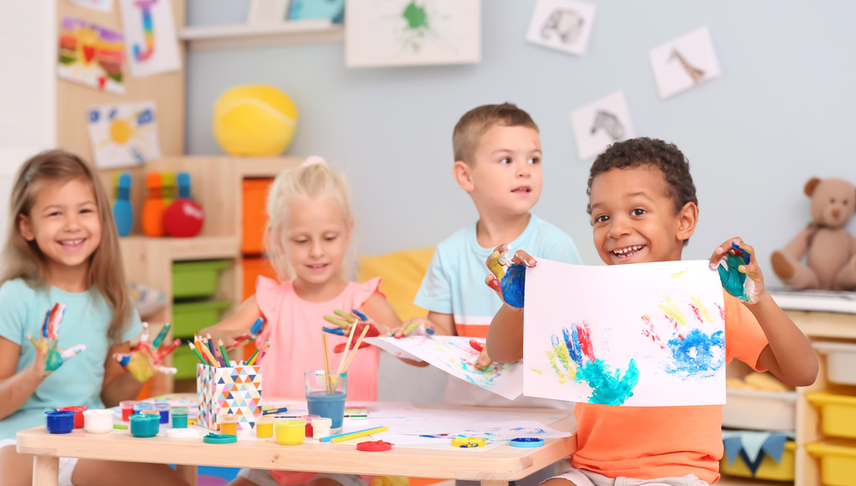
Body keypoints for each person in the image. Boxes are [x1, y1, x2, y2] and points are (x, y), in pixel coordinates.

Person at [485, 137, 818, 486]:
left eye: (638, 211)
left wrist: (759, 301)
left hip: (677, 476)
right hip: (589, 472)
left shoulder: (709, 300)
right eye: (602, 217)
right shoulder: (581, 296)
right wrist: (516, 304)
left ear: (684, 221)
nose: (616, 229)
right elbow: (501, 353)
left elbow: (803, 372)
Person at [404, 103, 583, 486]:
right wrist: (418, 334)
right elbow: (438, 334)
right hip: (468, 417)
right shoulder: (449, 253)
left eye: (534, 158)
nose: (525, 169)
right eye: (506, 159)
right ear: (465, 175)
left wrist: (509, 345)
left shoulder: (555, 245)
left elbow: (574, 333)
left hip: (543, 416)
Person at [202, 156, 401, 486]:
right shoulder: (269, 300)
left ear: (348, 232)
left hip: (341, 455)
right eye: (302, 240)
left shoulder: (364, 301)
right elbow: (212, 335)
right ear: (278, 238)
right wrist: (223, 336)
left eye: (329, 237)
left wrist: (381, 333)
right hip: (272, 452)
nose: (317, 252)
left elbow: (411, 346)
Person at [0, 150, 188, 486]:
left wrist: (138, 372)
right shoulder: (15, 297)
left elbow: (111, 398)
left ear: (102, 217)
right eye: (55, 213)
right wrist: (35, 371)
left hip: (87, 435)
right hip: (18, 438)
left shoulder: (114, 300)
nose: (73, 225)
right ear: (27, 226)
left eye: (85, 211)